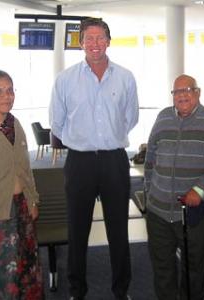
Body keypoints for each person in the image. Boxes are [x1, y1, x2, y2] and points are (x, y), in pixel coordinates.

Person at [49, 18, 139, 300]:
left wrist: (109, 138)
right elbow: (57, 123)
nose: (95, 43)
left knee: (118, 229)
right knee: (77, 229)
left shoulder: (125, 77)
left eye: (100, 38)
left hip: (114, 160)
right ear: (81, 43)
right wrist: (82, 142)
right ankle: (77, 290)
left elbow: (130, 117)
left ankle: (121, 289)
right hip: (80, 162)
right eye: (89, 38)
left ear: (109, 41)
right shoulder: (65, 80)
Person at [144, 74, 204, 300]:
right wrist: (149, 194)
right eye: (176, 92)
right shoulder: (163, 117)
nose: (182, 95)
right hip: (159, 212)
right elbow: (150, 158)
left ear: (198, 92)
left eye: (187, 90)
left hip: (194, 211)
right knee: (162, 267)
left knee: (194, 268)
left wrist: (200, 190)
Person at [0, 70, 43, 299]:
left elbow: (25, 168)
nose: (6, 96)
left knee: (24, 266)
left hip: (21, 208)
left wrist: (33, 200)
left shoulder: (14, 124)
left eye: (10, 91)